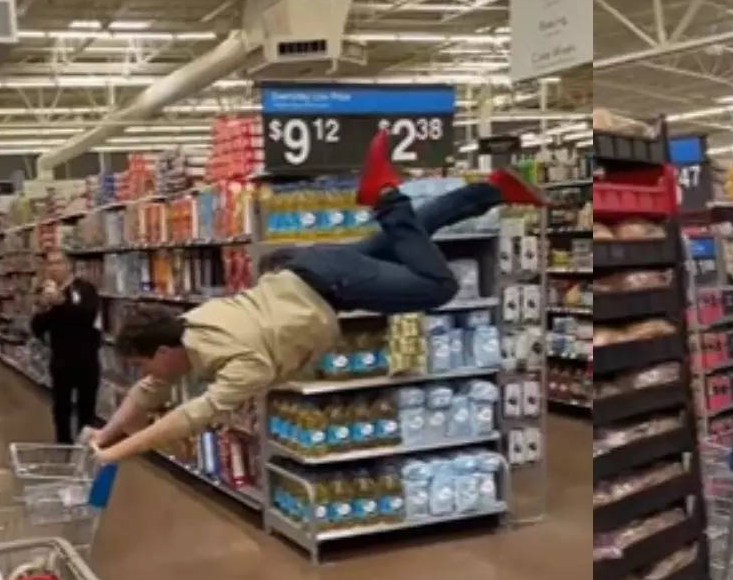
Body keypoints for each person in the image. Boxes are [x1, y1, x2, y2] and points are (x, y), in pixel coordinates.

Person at [85, 130, 546, 464]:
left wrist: (118, 452)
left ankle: (384, 193)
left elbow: (189, 417)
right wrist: (104, 436)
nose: (144, 376)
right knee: (412, 230)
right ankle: (492, 190)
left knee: (437, 287)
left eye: (144, 364)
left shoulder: (241, 361)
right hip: (315, 269)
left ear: (164, 351)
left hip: (331, 284)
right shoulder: (194, 321)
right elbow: (149, 395)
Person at [31, 250, 102, 444]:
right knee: (61, 407)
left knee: (86, 406)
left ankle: (85, 446)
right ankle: (63, 445)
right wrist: (43, 308)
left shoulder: (85, 289)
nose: (54, 268)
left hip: (87, 359)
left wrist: (62, 303)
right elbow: (37, 329)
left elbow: (88, 318)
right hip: (60, 360)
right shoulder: (44, 292)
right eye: (50, 264)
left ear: (69, 265)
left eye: (58, 263)